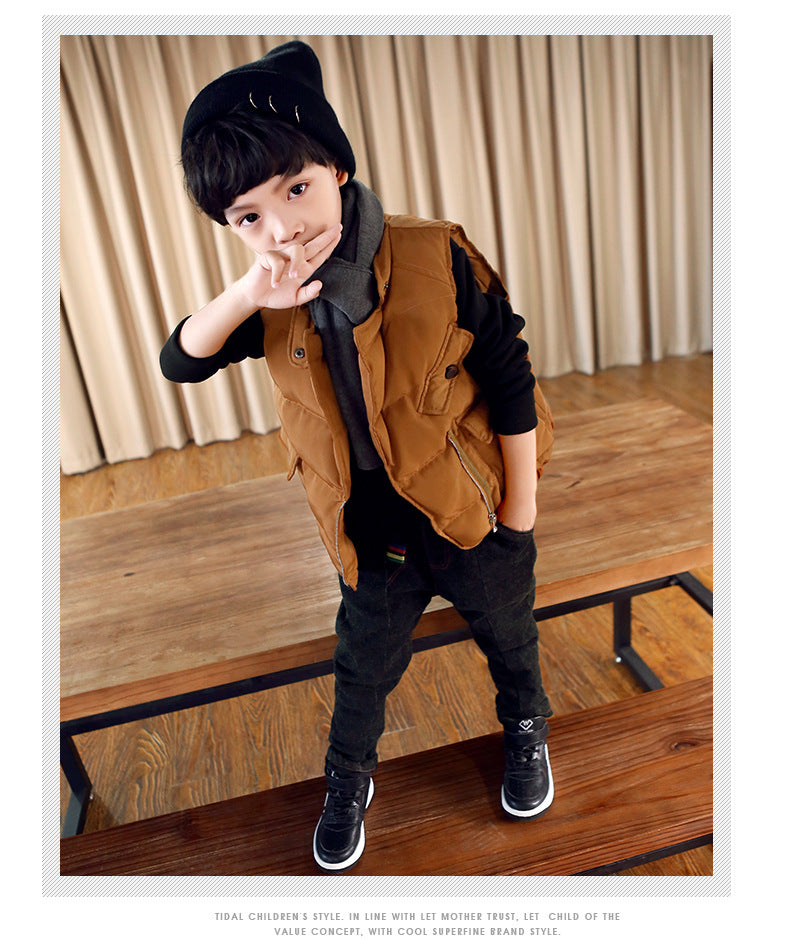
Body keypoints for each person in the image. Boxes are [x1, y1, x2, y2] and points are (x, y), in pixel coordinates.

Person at [160, 40, 556, 873]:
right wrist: (249, 293)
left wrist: (518, 514)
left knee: (510, 637)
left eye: (296, 189)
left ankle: (526, 730)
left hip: (467, 506)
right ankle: (347, 782)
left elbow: (510, 376)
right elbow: (182, 361)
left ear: (337, 168)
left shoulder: (434, 253)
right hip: (371, 529)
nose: (283, 228)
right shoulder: (270, 293)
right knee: (361, 669)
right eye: (248, 217)